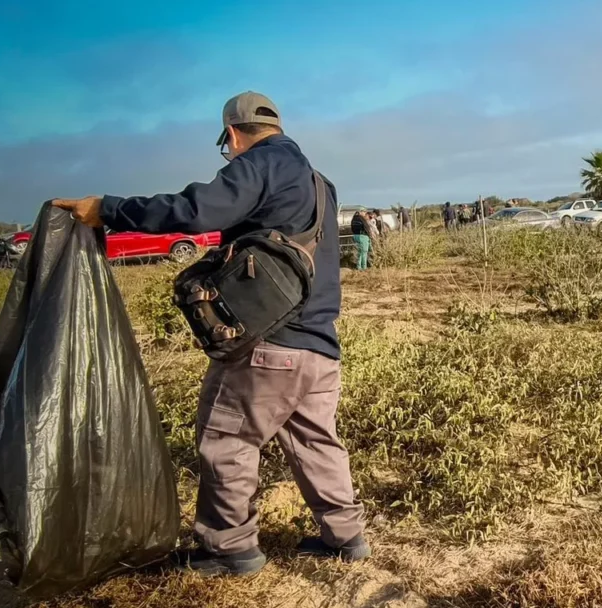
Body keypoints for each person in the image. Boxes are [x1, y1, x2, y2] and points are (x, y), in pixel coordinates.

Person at [51, 91, 368, 577]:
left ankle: (228, 549)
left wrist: (109, 208)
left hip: (268, 344)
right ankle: (346, 539)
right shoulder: (319, 182)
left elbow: (195, 211)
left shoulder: (259, 165)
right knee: (317, 443)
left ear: (234, 135)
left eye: (227, 145)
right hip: (320, 346)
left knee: (227, 440)